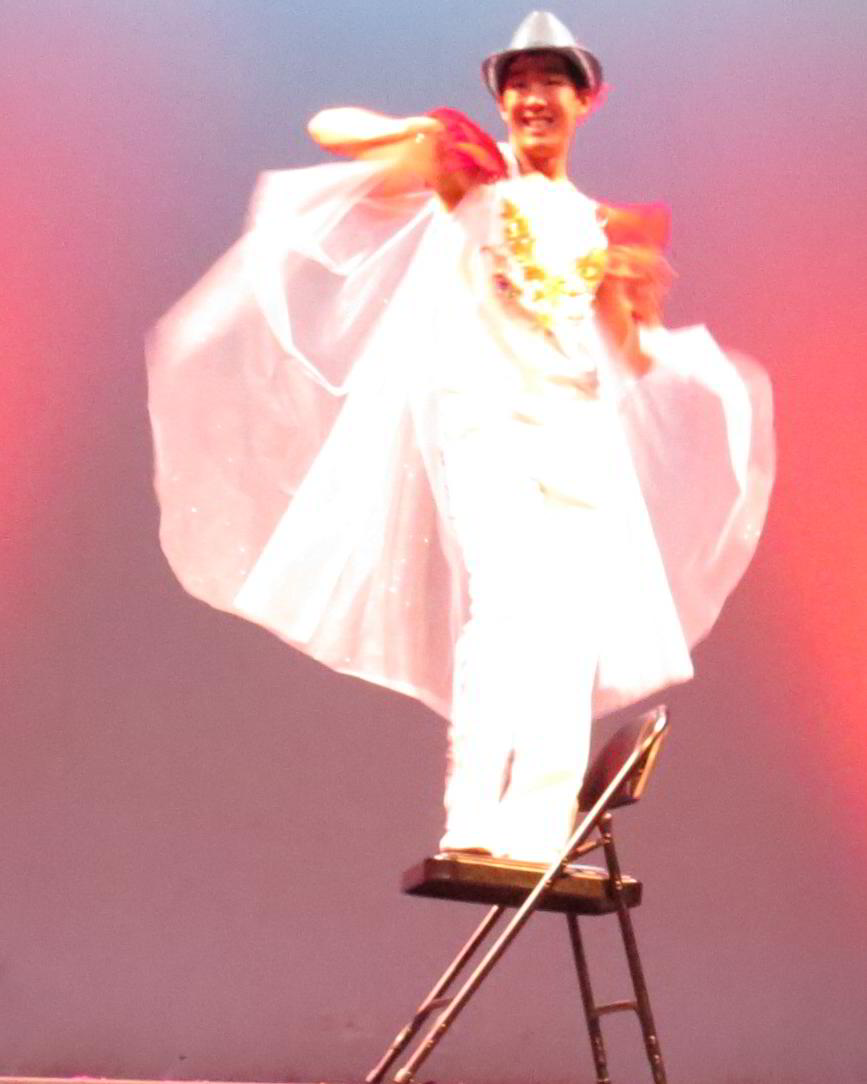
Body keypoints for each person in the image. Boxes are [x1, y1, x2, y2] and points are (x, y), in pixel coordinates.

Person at [147, 12, 774, 862]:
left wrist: (656, 330)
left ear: (586, 99)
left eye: (551, 80)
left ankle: (540, 829)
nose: (530, 96)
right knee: (509, 609)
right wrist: (411, 133)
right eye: (516, 82)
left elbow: (621, 355)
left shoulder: (602, 227)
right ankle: (475, 818)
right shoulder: (474, 180)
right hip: (488, 430)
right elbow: (327, 128)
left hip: (577, 438)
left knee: (571, 628)